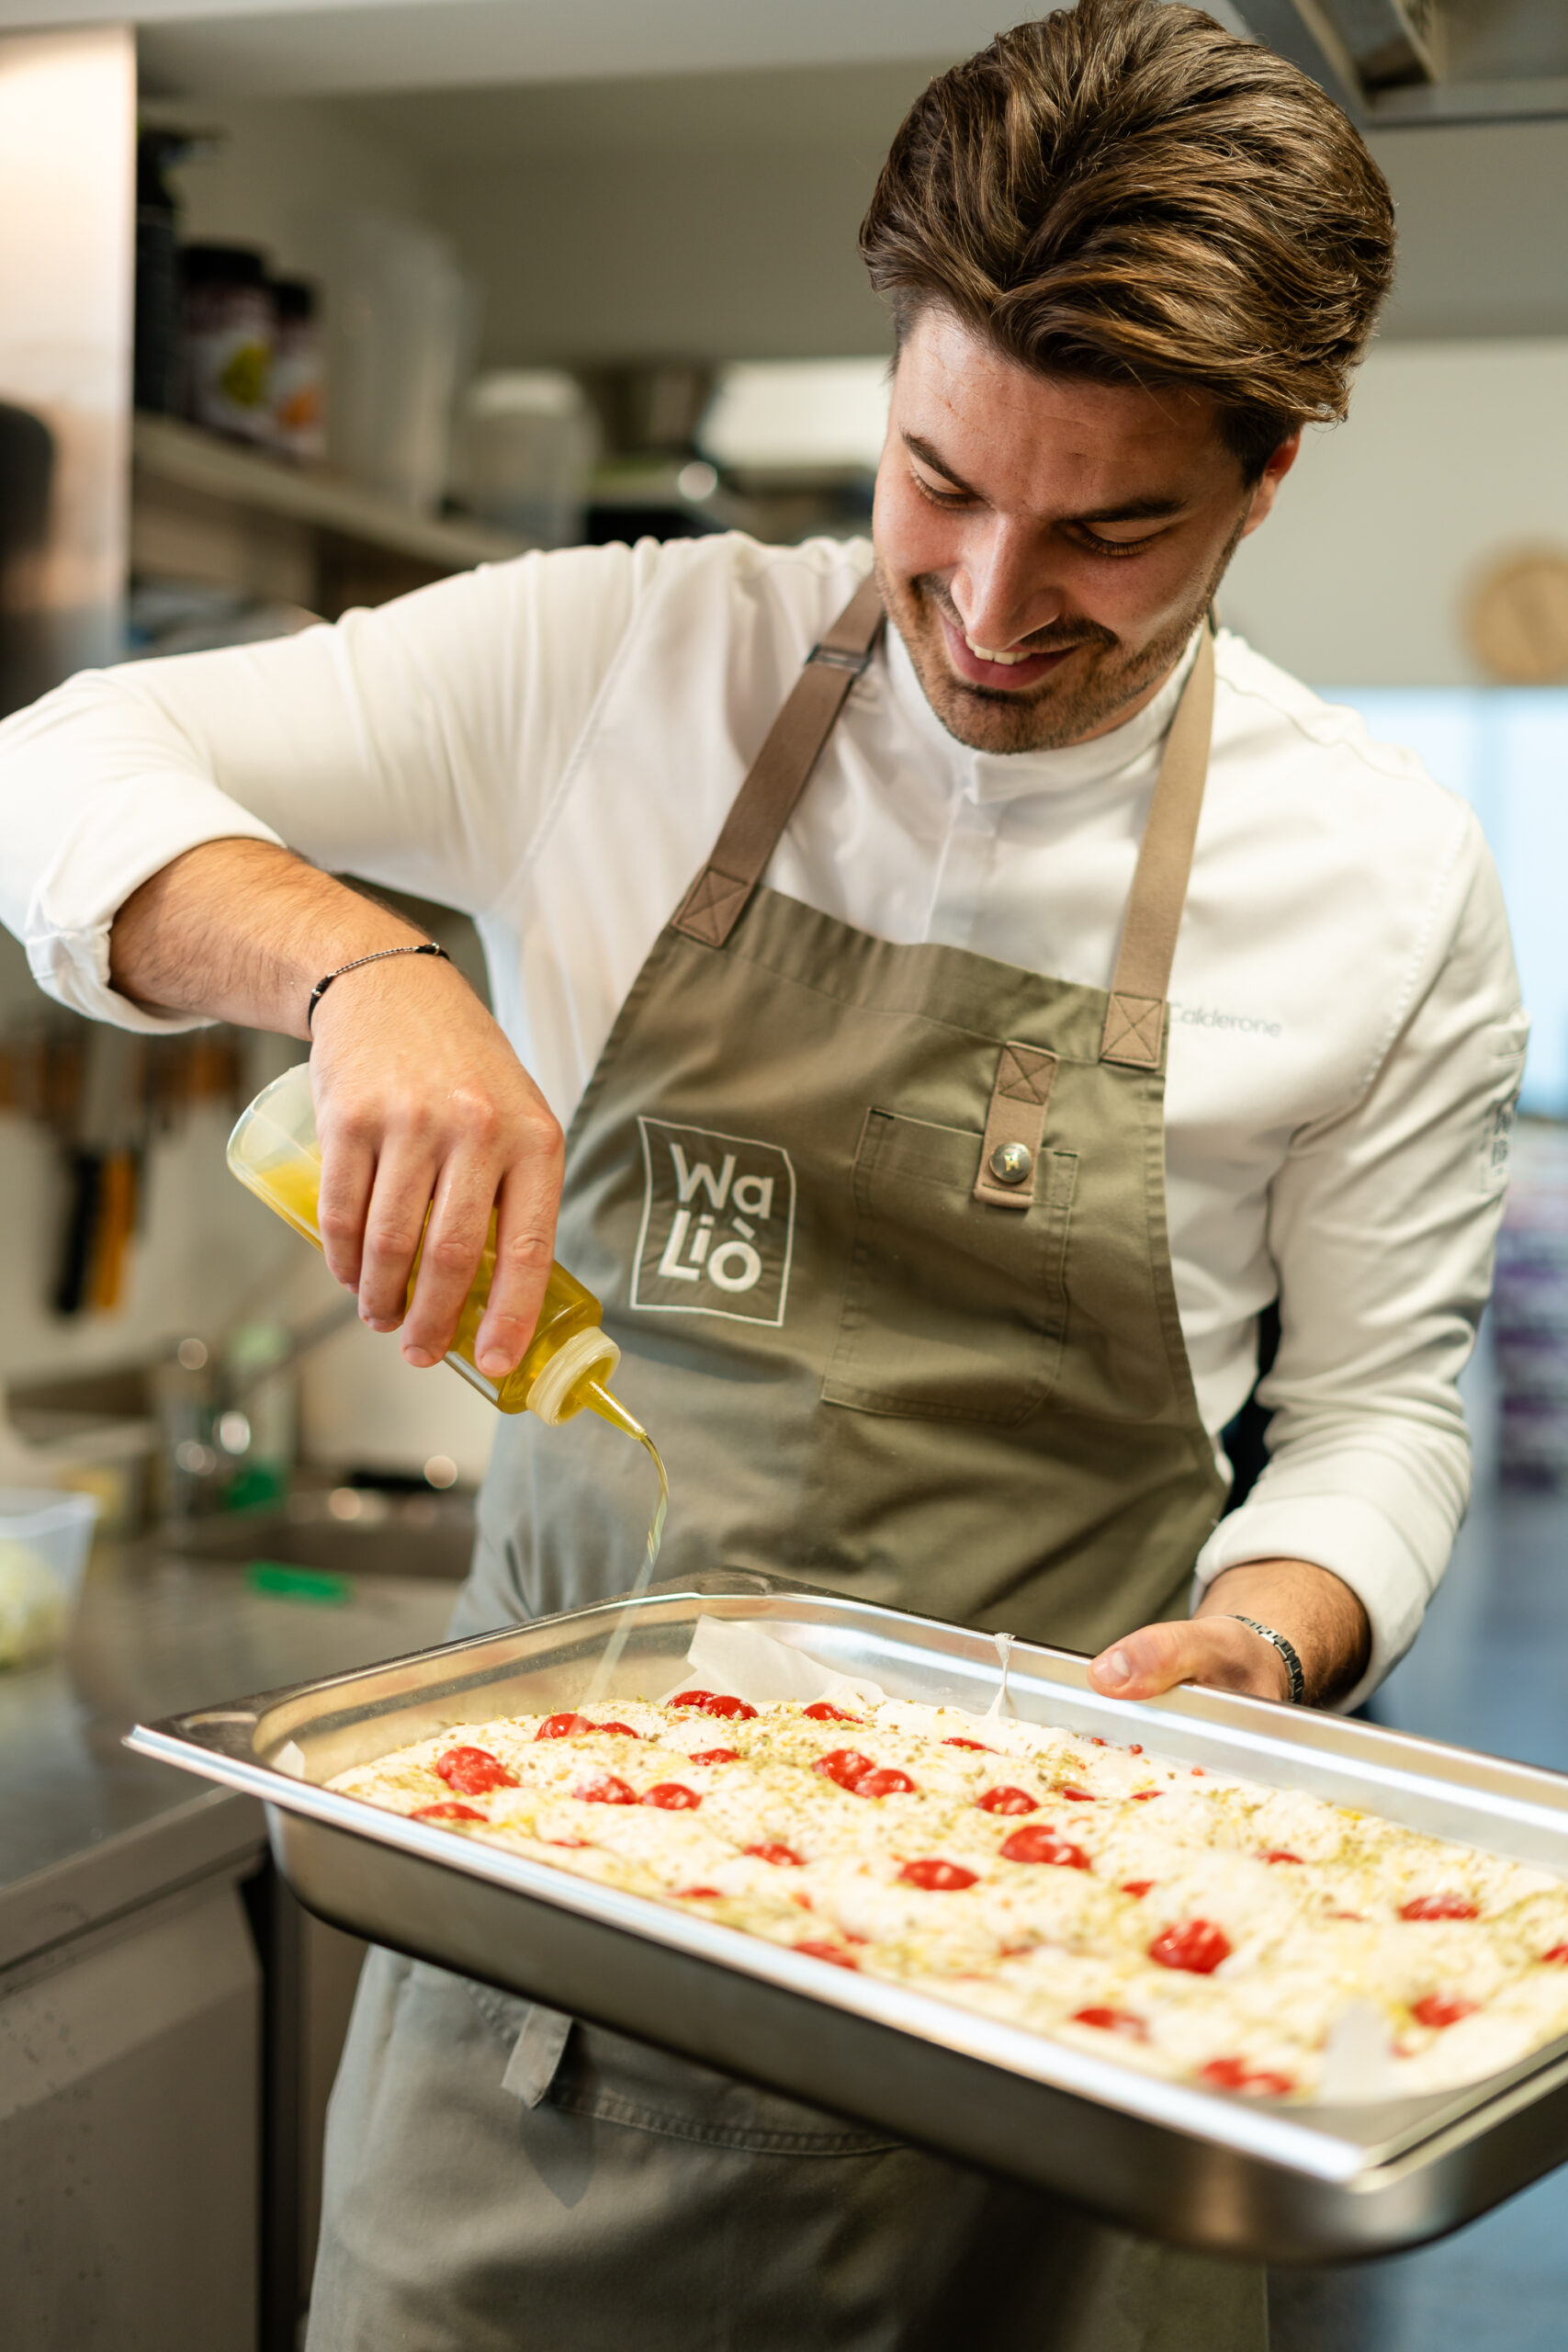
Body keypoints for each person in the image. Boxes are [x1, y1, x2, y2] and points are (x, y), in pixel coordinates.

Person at [0, 3, 1526, 2344]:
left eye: (1110, 525)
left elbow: (1376, 1412)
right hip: (568, 1993)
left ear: (1266, 473)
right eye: (937, 482)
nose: (997, 608)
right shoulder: (630, 663)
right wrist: (359, 975)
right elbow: (57, 762)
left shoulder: (1386, 878)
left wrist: (1273, 1633)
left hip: (1082, 2019)